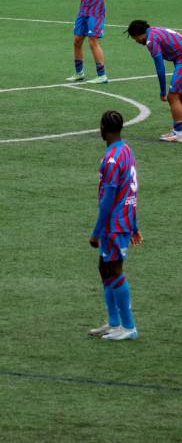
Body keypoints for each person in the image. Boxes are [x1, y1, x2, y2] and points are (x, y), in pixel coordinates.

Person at [87, 110, 140, 341]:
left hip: (114, 224)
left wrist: (97, 232)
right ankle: (113, 322)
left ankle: (128, 327)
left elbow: (108, 199)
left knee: (115, 270)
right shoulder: (125, 150)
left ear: (103, 129)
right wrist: (135, 225)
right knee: (104, 267)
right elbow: (131, 189)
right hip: (123, 220)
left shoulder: (111, 159)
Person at [125, 20, 182, 142]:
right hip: (179, 59)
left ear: (138, 34)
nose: (136, 41)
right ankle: (178, 130)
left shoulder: (151, 41)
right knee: (179, 96)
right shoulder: (154, 31)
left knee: (172, 97)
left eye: (135, 38)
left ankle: (179, 134)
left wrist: (162, 91)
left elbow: (160, 68)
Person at [66, 0, 110, 84]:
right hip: (83, 11)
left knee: (93, 42)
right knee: (77, 41)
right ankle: (79, 73)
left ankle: (102, 75)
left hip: (95, 13)